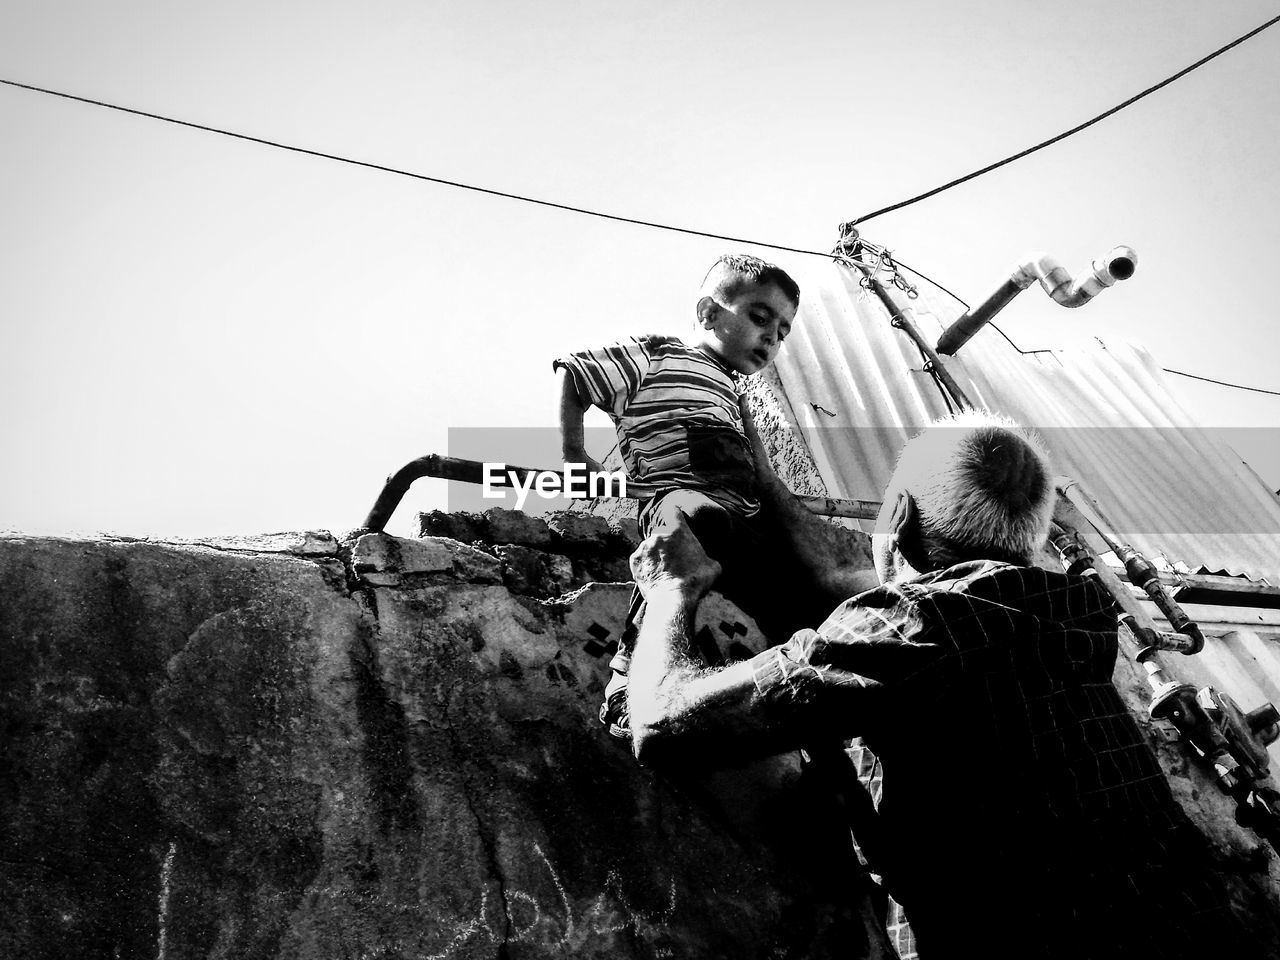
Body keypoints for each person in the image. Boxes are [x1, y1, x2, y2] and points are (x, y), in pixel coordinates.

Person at [627, 411, 1264, 959]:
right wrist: (770, 485)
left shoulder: (916, 625)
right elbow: (843, 573)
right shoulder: (1069, 617)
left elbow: (663, 722)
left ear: (898, 516)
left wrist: (669, 592)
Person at [555, 253, 847, 739]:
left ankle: (819, 719)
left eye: (783, 331)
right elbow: (575, 372)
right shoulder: (657, 353)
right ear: (709, 313)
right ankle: (629, 680)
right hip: (684, 503)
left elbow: (759, 470)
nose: (772, 337)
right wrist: (573, 453)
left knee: (799, 605)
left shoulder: (736, 395)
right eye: (759, 318)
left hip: (745, 522)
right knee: (680, 531)